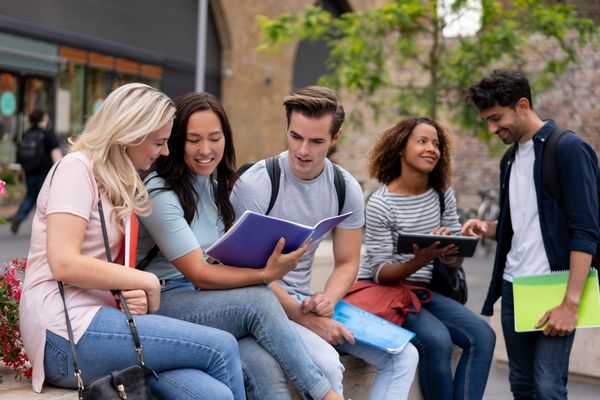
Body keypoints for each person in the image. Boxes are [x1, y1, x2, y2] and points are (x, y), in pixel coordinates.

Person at [19, 83, 245, 399]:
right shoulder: (76, 169)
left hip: (107, 324)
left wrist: (129, 292)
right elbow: (64, 261)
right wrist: (146, 281)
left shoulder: (117, 181)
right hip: (63, 333)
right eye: (159, 141)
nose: (165, 151)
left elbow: (104, 266)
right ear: (129, 134)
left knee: (210, 393)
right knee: (221, 346)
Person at [136, 91, 339, 400]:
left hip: (209, 304)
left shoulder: (217, 189)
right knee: (256, 299)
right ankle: (324, 395)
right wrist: (265, 274)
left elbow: (219, 263)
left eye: (214, 138)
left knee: (267, 372)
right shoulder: (160, 193)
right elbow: (199, 274)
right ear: (176, 141)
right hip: (164, 302)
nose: (205, 150)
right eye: (193, 140)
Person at [230, 86, 420, 399]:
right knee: (330, 366)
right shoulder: (258, 183)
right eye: (295, 137)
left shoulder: (345, 188)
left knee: (404, 355)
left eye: (316, 141)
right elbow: (239, 268)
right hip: (262, 301)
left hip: (306, 301)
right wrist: (300, 314)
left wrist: (328, 300)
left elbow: (347, 262)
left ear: (335, 137)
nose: (303, 150)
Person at [463, 69, 599, 399]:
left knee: (549, 388)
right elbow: (522, 227)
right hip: (514, 288)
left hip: (555, 287)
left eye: (496, 118)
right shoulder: (509, 159)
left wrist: (571, 304)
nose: (492, 129)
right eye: (486, 121)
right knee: (521, 385)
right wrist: (488, 229)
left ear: (522, 105)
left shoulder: (569, 150)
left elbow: (586, 231)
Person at [357, 117, 496, 400]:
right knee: (437, 340)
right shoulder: (381, 203)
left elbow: (453, 264)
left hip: (425, 291)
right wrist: (421, 259)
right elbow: (380, 272)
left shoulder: (443, 195)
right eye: (422, 141)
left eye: (436, 144)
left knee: (483, 336)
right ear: (400, 148)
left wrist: (448, 252)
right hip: (389, 293)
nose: (431, 148)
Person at [11, 110, 61, 234]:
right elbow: (56, 155)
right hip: (45, 173)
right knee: (46, 200)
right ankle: (46, 226)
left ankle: (19, 217)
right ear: (44, 118)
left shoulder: (26, 134)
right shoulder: (48, 134)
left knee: (30, 196)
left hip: (29, 172)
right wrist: (60, 170)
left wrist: (22, 172)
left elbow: (19, 157)